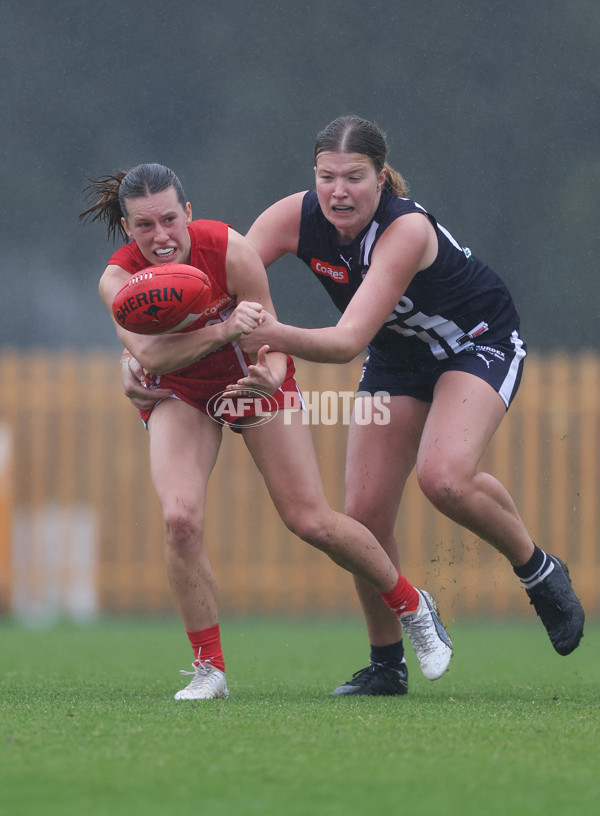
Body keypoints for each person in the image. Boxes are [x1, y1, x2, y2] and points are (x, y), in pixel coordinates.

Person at [228, 114, 583, 697]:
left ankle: (537, 568)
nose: (338, 191)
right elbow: (225, 275)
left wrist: (268, 334)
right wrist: (155, 342)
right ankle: (386, 665)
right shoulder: (292, 216)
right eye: (327, 177)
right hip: (399, 359)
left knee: (443, 478)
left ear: (381, 180)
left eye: (354, 178)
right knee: (362, 519)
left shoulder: (406, 230)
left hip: (477, 342)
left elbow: (345, 344)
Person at [81, 161, 453, 701]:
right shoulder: (116, 281)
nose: (160, 237)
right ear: (127, 227)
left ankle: (413, 607)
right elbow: (148, 352)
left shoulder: (231, 251)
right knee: (179, 520)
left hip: (253, 382)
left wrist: (267, 377)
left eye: (168, 220)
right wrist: (225, 328)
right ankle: (210, 669)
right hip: (180, 393)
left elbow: (271, 339)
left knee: (311, 520)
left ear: (188, 213)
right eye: (144, 226)